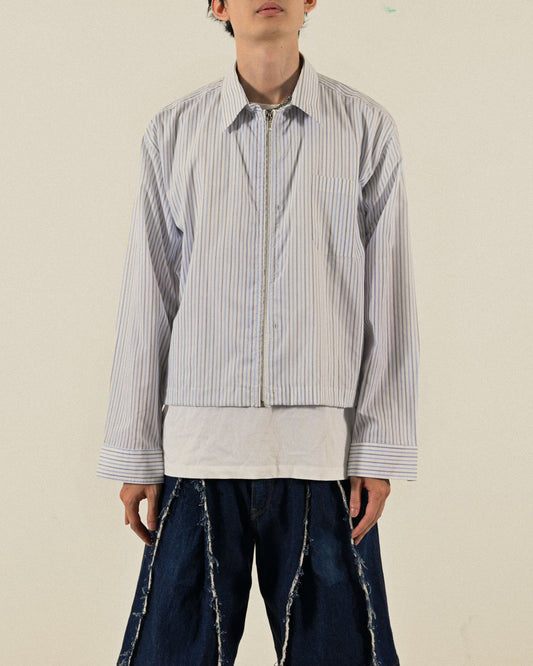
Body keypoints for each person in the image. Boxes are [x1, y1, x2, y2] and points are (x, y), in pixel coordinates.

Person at [97, 1, 419, 664]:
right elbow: (149, 296)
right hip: (199, 453)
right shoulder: (175, 131)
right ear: (217, 4)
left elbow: (388, 298)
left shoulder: (364, 128)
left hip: (321, 457)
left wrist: (379, 449)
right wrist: (135, 450)